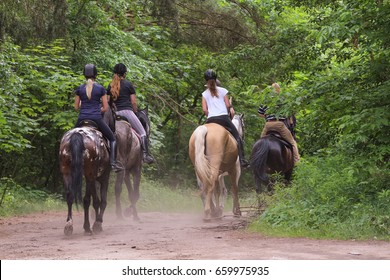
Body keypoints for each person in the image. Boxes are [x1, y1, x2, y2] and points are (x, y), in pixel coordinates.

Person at [74, 64, 123, 172]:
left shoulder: (80, 89)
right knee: (112, 139)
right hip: (96, 119)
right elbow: (105, 108)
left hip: (81, 118)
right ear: (95, 75)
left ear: (84, 75)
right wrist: (96, 110)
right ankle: (113, 163)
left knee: (71, 136)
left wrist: (85, 106)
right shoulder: (100, 89)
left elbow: (76, 107)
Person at [107, 63, 155, 164]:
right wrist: (135, 111)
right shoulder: (128, 84)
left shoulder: (110, 85)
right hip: (127, 112)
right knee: (142, 133)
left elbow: (108, 102)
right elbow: (133, 102)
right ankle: (146, 155)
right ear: (124, 74)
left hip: (114, 114)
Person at [201, 69, 249, 168]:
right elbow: (228, 105)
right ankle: (242, 160)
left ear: (206, 81)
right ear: (215, 79)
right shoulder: (223, 91)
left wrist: (209, 116)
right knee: (237, 137)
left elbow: (205, 110)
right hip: (223, 118)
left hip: (210, 119)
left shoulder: (204, 94)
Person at [258, 82, 300, 163]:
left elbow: (260, 114)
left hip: (268, 125)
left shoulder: (266, 100)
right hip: (280, 125)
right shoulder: (283, 100)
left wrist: (267, 116)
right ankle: (297, 162)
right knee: (292, 143)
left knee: (260, 143)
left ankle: (256, 161)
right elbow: (289, 114)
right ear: (279, 90)